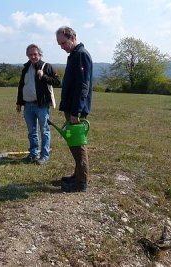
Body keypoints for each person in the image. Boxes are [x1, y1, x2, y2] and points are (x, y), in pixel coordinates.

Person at [55, 26, 93, 192]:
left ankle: (81, 182)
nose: (62, 47)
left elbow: (83, 86)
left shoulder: (81, 55)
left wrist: (76, 112)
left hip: (76, 110)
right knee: (73, 144)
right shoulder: (74, 55)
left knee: (78, 146)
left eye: (63, 43)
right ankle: (77, 175)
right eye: (59, 44)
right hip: (71, 108)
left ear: (73, 37)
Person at [16, 44, 61, 165]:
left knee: (44, 131)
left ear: (39, 54)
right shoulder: (25, 68)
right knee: (32, 132)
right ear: (27, 55)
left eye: (35, 54)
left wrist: (44, 76)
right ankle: (33, 154)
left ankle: (44, 156)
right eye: (30, 54)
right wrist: (19, 102)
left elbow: (57, 82)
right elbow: (21, 86)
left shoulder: (46, 66)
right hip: (28, 105)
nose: (33, 56)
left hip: (42, 105)